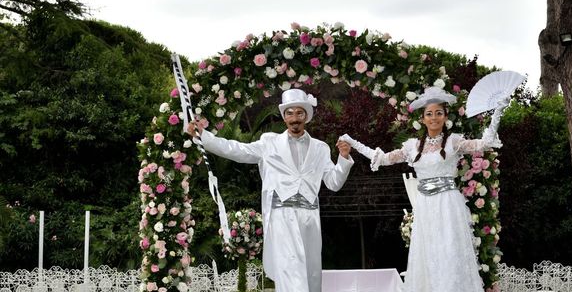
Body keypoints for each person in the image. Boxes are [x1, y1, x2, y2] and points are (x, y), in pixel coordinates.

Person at [341, 86, 507, 292]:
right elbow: (382, 159)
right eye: (429, 114)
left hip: (448, 205)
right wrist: (353, 142)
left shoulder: (454, 141)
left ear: (446, 116)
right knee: (428, 255)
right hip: (426, 206)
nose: (434, 118)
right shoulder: (412, 147)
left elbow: (485, 143)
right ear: (423, 118)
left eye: (439, 113)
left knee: (450, 252)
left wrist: (498, 111)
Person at [189, 88, 353, 292]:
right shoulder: (269, 142)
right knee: (291, 275)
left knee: (311, 277)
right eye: (290, 113)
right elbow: (236, 149)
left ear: (306, 116)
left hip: (310, 218)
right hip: (282, 217)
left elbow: (334, 182)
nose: (295, 118)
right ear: (284, 117)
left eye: (299, 113)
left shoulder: (320, 148)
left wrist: (344, 159)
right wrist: (205, 137)